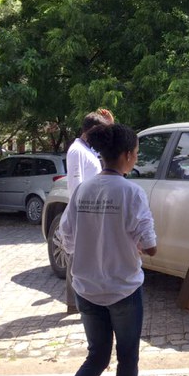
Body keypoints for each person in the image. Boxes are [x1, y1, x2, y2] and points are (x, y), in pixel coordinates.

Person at [32, 124, 157, 376]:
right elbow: (149, 244)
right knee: (127, 359)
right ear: (128, 156)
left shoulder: (84, 190)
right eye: (136, 154)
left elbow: (66, 238)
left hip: (86, 289)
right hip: (123, 291)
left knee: (97, 357)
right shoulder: (132, 192)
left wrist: (93, 247)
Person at [64, 109, 115, 312]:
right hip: (84, 213)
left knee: (84, 257)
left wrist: (111, 125)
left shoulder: (87, 149)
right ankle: (73, 303)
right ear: (91, 130)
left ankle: (80, 302)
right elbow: (75, 185)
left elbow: (111, 144)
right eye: (101, 130)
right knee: (77, 258)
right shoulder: (77, 151)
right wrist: (83, 215)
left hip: (91, 212)